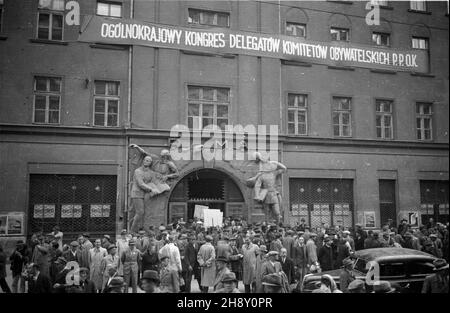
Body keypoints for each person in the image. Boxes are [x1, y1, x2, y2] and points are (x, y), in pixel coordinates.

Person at [246, 152, 287, 223]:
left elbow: (284, 168)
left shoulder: (273, 173)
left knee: (277, 212)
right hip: (265, 195)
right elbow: (257, 186)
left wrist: (275, 162)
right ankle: (268, 225)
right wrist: (257, 195)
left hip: (273, 193)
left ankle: (278, 224)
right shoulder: (261, 175)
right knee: (266, 213)